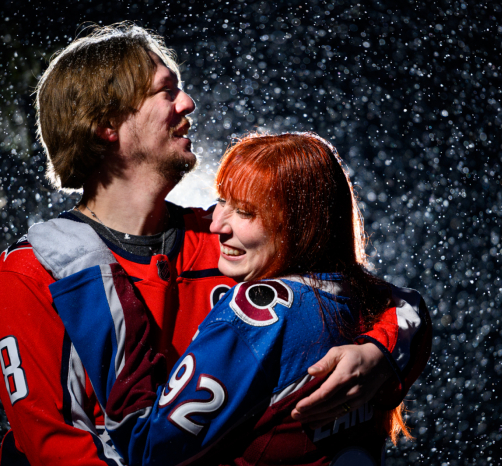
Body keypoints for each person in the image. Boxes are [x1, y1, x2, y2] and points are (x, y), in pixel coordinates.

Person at [0, 23, 432, 465]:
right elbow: (57, 450)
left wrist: (381, 351)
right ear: (107, 123)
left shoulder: (228, 240)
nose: (188, 103)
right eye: (166, 91)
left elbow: (373, 298)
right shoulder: (32, 273)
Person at [49, 132, 432, 465]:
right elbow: (406, 305)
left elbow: (147, 448)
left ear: (300, 226)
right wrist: (385, 348)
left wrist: (92, 281)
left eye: (246, 212)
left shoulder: (260, 314)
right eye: (221, 200)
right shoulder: (366, 300)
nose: (217, 225)